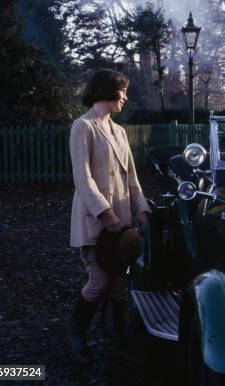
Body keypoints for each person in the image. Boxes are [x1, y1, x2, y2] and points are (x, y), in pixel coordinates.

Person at [69, 69, 151, 364]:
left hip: (122, 221)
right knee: (99, 281)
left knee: (117, 283)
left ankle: (115, 341)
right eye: (122, 92)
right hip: (96, 221)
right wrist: (104, 213)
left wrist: (141, 208)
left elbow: (132, 177)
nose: (125, 98)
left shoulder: (119, 130)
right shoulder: (83, 126)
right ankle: (77, 334)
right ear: (107, 91)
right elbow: (83, 177)